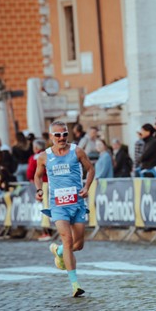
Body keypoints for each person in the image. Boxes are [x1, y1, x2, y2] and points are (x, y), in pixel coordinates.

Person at [34, 121, 95, 298]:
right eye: (57, 135)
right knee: (67, 240)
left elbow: (90, 169)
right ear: (51, 136)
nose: (61, 138)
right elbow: (38, 176)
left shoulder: (77, 151)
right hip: (58, 205)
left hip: (77, 203)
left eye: (64, 134)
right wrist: (39, 190)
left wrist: (86, 187)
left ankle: (58, 251)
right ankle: (75, 285)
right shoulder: (44, 156)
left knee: (79, 244)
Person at [27, 139, 52, 242]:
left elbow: (30, 172)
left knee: (45, 208)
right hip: (52, 183)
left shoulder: (36, 157)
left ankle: (46, 232)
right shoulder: (50, 154)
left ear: (36, 148)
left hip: (42, 184)